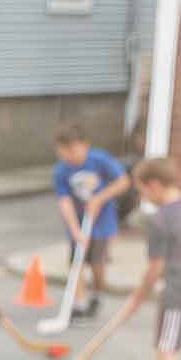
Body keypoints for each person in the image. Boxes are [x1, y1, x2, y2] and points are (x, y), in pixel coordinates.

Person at [103, 157, 181, 360]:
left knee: (165, 346)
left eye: (142, 191)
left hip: (177, 292)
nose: (142, 197)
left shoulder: (161, 219)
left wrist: (139, 296)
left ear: (155, 185)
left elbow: (155, 268)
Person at [52, 122, 130, 321]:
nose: (68, 156)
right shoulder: (61, 171)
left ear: (84, 145)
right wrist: (74, 229)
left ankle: (97, 293)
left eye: (72, 150)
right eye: (63, 152)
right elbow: (64, 202)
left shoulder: (99, 160)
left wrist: (100, 198)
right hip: (78, 221)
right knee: (76, 262)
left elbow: (123, 182)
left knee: (97, 263)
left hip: (102, 222)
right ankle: (78, 303)